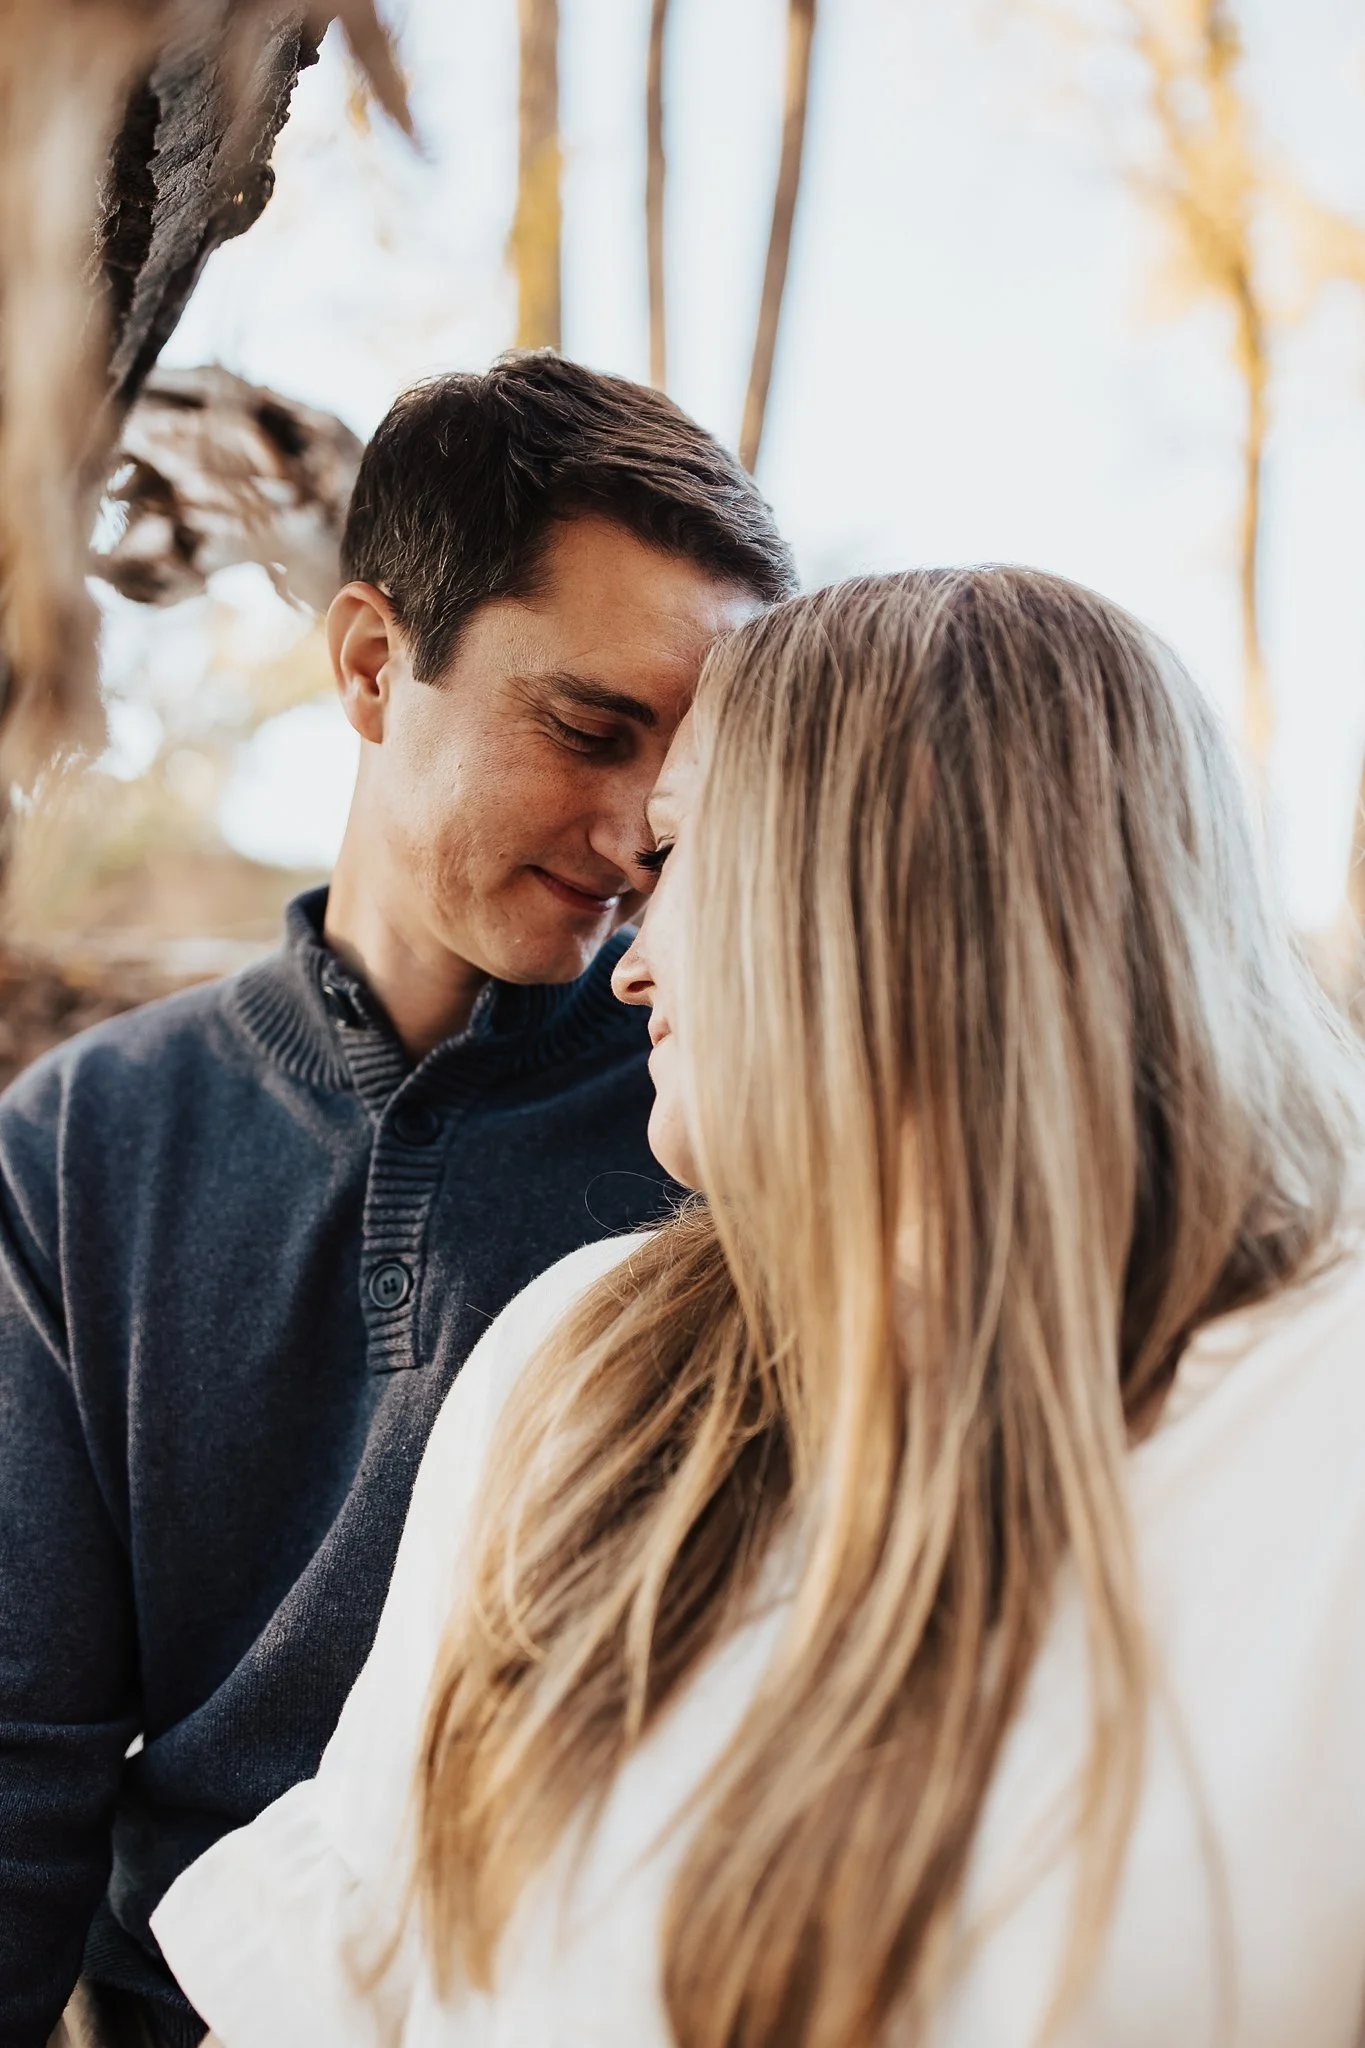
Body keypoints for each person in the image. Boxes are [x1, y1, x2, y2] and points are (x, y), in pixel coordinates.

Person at [153, 565, 1365, 2047]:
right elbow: (336, 1992)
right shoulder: (584, 1357)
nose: (629, 963)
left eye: (675, 853)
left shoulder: (1321, 1437)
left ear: (891, 860)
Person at [0, 351, 796, 2048]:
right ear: (373, 662)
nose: (640, 827)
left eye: (683, 769)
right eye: (590, 726)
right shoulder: (83, 1146)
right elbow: (14, 1769)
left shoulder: (734, 1130)